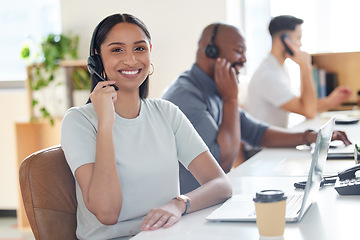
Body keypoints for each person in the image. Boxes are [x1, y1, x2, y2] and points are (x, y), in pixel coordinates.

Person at [61, 13, 232, 240]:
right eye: (117, 50)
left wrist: (178, 204)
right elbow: (107, 213)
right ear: (97, 58)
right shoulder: (78, 121)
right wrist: (106, 123)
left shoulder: (166, 113)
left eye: (139, 48)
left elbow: (221, 184)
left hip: (166, 235)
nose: (131, 60)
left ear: (150, 51)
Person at [161, 23, 351, 194]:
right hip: (185, 209)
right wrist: (231, 98)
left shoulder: (214, 86)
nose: (244, 59)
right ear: (211, 52)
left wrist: (309, 137)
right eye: (238, 51)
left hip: (205, 198)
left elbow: (256, 132)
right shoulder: (186, 97)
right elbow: (222, 162)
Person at [245, 15, 352, 128]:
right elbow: (308, 111)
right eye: (298, 38)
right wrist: (306, 68)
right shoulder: (267, 75)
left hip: (275, 140)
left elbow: (303, 104)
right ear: (283, 39)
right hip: (264, 145)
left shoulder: (278, 68)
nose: (300, 44)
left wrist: (330, 101)